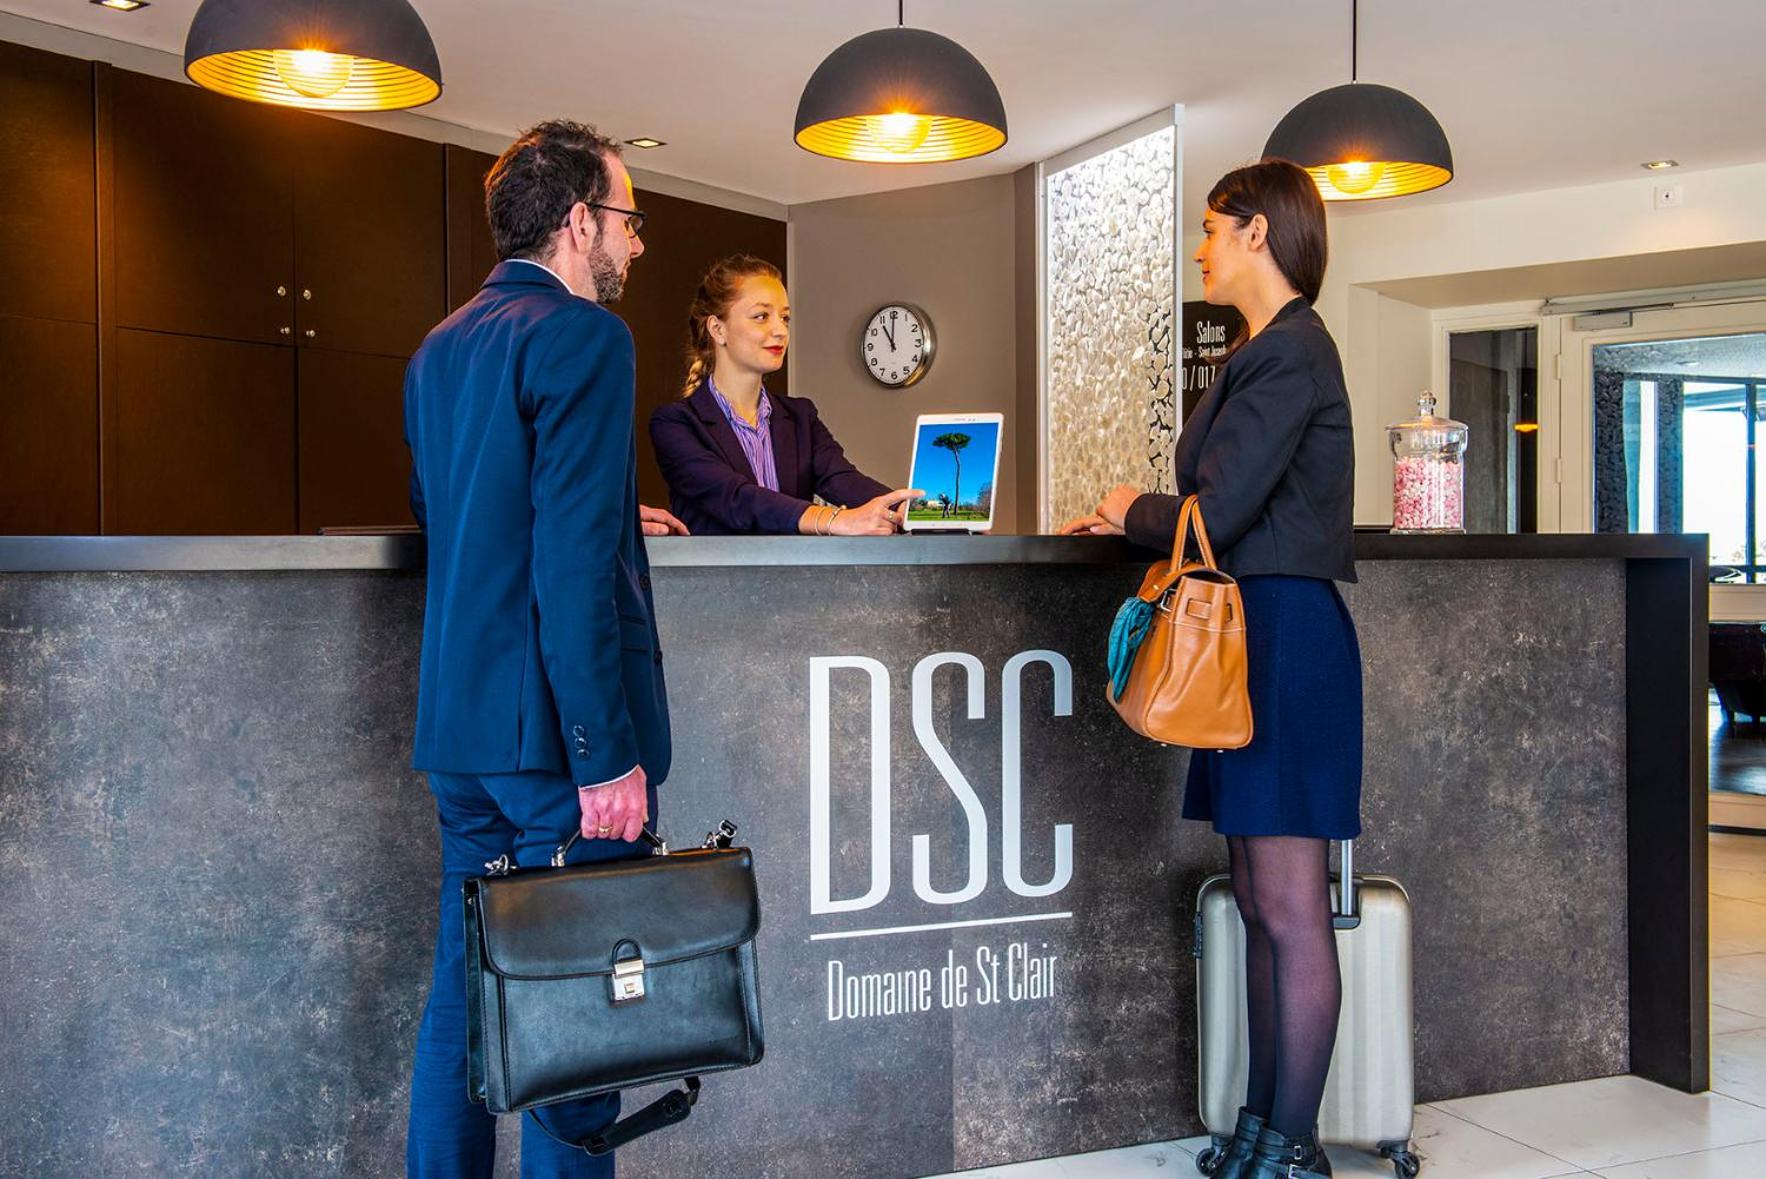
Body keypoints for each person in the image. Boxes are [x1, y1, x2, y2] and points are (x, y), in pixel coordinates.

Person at [1061, 159, 1359, 1179]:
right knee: (1259, 901)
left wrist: (1124, 507)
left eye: (1210, 229)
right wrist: (1137, 515)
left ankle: (1293, 1147)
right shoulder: (1263, 352)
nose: (1199, 249)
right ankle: (1262, 1133)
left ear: (1256, 233)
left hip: (1282, 640)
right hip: (1249, 638)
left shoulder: (1292, 352)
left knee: (1289, 908)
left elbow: (1218, 511)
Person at [402, 119, 687, 1179]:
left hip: (463, 738)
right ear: (578, 221)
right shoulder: (585, 336)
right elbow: (567, 567)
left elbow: (453, 515)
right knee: (573, 1033)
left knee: (465, 1005)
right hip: (557, 752)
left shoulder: (438, 348)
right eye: (628, 219)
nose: (636, 243)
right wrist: (603, 754)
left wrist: (607, 507)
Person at [648, 255, 921, 535]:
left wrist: (908, 510)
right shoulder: (676, 423)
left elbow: (842, 479)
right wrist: (834, 520)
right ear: (718, 329)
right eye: (761, 317)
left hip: (793, 567)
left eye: (785, 318)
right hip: (719, 567)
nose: (780, 331)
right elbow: (735, 499)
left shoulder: (800, 416)